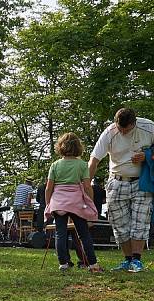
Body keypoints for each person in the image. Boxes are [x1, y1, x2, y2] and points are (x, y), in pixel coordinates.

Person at [89, 108, 154, 272]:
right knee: (119, 224)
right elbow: (94, 160)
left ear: (134, 123)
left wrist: (147, 156)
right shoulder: (109, 132)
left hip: (142, 182)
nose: (123, 132)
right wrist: (85, 184)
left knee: (140, 222)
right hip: (116, 182)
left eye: (127, 129)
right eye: (120, 128)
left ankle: (137, 260)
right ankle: (127, 259)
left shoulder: (148, 127)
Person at [45, 132, 102, 273]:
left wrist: (48, 204)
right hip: (76, 202)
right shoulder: (82, 165)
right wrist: (90, 202)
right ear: (78, 147)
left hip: (58, 202)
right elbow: (87, 186)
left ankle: (63, 263)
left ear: (60, 147)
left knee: (60, 233)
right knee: (83, 234)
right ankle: (93, 264)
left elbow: (48, 188)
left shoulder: (55, 165)